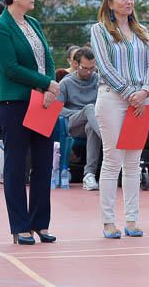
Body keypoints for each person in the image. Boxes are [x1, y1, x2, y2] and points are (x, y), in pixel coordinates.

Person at [0, 0, 59, 245]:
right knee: (16, 166)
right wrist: (45, 83)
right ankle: (19, 226)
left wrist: (49, 87)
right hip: (15, 103)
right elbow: (10, 68)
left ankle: (40, 224)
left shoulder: (33, 23)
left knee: (43, 165)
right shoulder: (1, 27)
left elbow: (48, 59)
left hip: (42, 102)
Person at [90, 0, 149, 239]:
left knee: (133, 162)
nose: (129, 2)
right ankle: (108, 221)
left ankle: (132, 219)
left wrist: (145, 92)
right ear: (110, 3)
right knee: (113, 159)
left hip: (141, 100)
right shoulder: (100, 30)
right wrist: (129, 94)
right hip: (112, 99)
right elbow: (104, 67)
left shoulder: (141, 32)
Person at [57, 47, 102, 191]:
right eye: (85, 68)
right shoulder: (65, 83)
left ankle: (89, 175)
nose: (89, 72)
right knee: (89, 109)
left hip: (93, 124)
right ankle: (110, 141)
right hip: (72, 123)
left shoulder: (98, 79)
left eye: (92, 68)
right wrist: (79, 113)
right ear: (75, 64)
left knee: (91, 126)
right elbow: (57, 109)